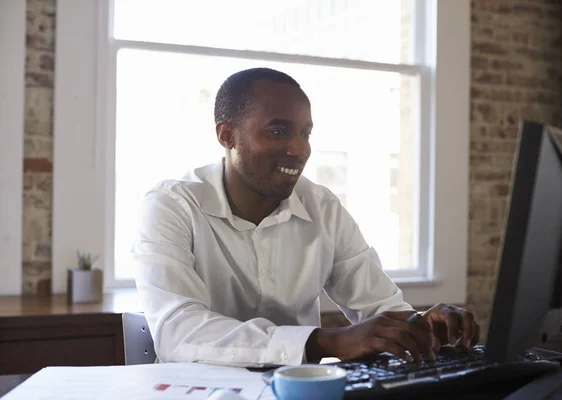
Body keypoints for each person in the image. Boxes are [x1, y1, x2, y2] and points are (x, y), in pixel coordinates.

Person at [133, 67, 480, 367]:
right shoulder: (170, 206)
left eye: (305, 133)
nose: (299, 150)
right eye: (278, 131)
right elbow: (179, 332)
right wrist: (327, 342)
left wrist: (421, 325)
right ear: (227, 135)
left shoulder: (322, 208)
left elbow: (378, 308)